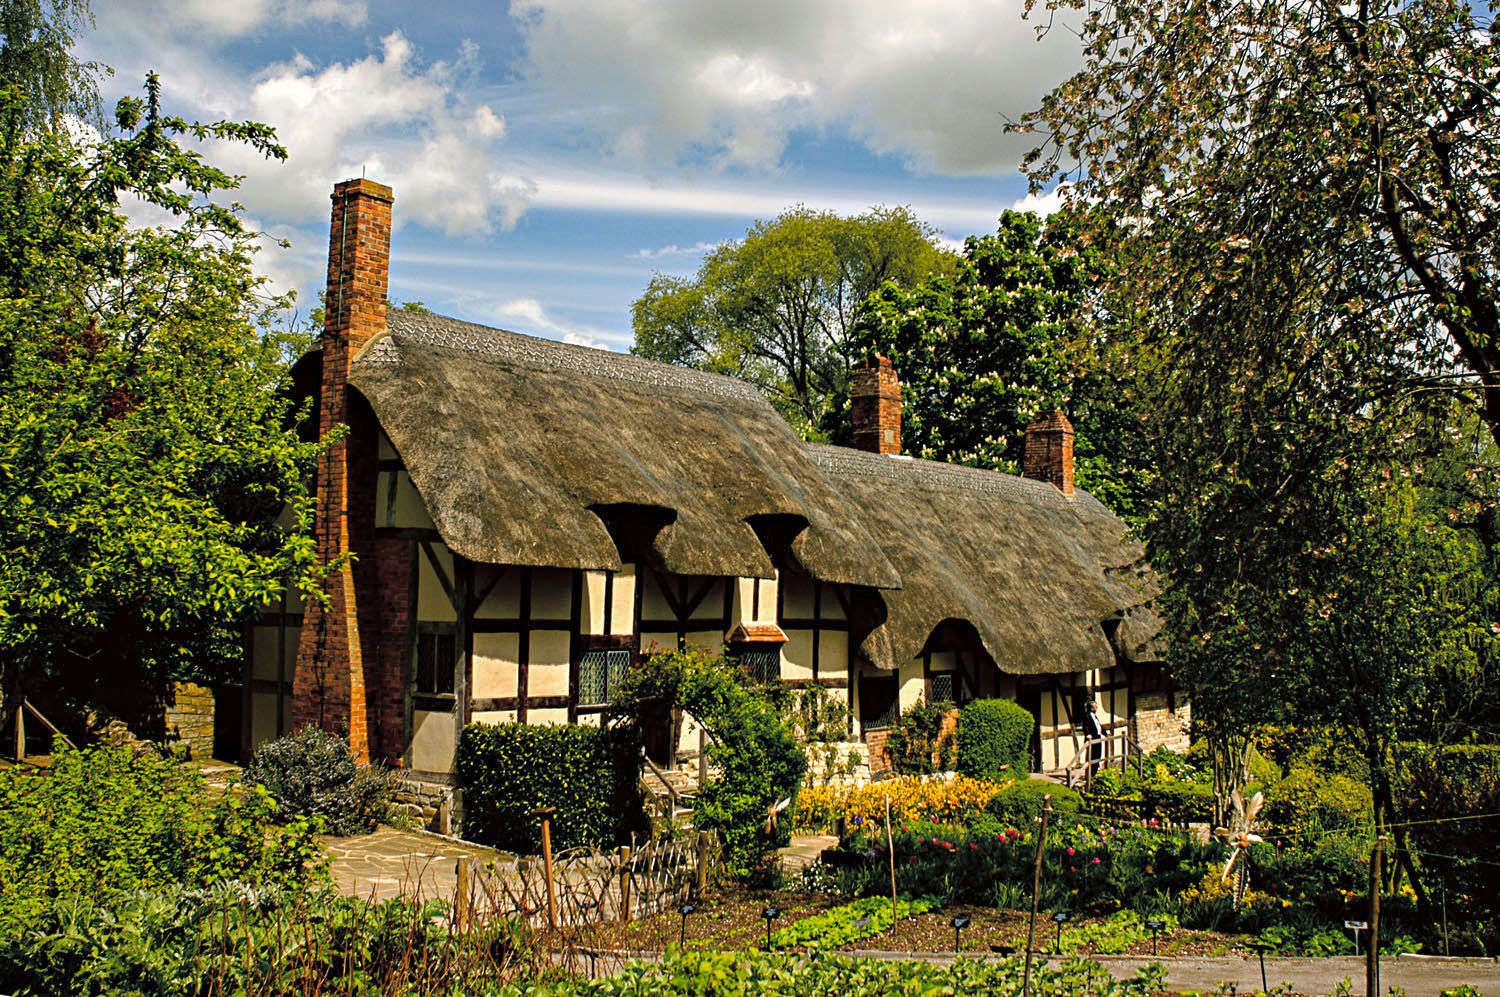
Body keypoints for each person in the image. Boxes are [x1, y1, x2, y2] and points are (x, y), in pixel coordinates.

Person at [1082, 700, 1105, 773]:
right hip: (1092, 738)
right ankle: (1090, 773)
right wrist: (1087, 734)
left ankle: (1095, 771)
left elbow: (1099, 726)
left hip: (1097, 737)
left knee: (1098, 754)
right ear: (1091, 708)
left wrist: (1106, 734)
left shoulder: (1094, 716)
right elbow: (1085, 726)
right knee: (1092, 755)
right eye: (1095, 707)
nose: (1097, 708)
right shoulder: (1087, 715)